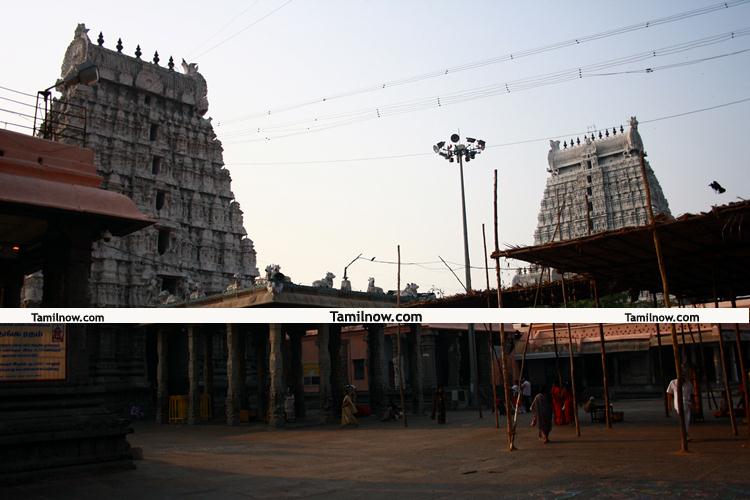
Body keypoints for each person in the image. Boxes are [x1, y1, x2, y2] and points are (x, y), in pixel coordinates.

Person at [666, 374, 693, 438]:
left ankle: (685, 433)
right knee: (683, 419)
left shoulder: (689, 383)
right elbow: (669, 393)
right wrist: (669, 404)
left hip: (687, 403)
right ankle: (685, 434)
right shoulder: (673, 382)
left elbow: (691, 394)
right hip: (678, 403)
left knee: (687, 419)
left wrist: (693, 404)